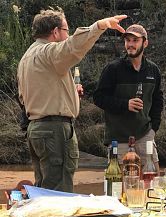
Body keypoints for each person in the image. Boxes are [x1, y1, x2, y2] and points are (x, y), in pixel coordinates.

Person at [17, 8, 127, 192]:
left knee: (44, 189)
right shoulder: (48, 52)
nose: (68, 35)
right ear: (55, 32)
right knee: (58, 193)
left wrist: (66, 92)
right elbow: (73, 46)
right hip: (54, 130)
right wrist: (98, 26)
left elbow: (25, 97)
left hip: (36, 129)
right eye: (67, 30)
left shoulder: (27, 57)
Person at [93, 24, 164, 172]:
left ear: (145, 43)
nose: (130, 44)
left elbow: (158, 101)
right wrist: (125, 104)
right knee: (120, 188)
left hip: (145, 135)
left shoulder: (153, 70)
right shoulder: (113, 69)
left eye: (135, 40)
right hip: (118, 139)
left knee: (152, 183)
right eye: (128, 40)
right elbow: (98, 98)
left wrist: (153, 129)